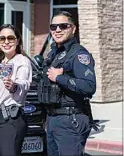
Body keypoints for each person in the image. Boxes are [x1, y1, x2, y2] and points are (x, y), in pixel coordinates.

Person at [40, 11, 97, 156]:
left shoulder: (79, 54)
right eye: (53, 27)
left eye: (63, 26)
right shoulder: (54, 54)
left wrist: (60, 78)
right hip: (54, 119)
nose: (57, 30)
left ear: (73, 28)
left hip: (71, 120)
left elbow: (89, 86)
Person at [0, 24, 32, 156]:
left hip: (10, 118)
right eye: (2, 39)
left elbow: (24, 83)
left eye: (10, 38)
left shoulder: (22, 61)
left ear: (18, 40)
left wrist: (13, 86)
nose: (6, 42)